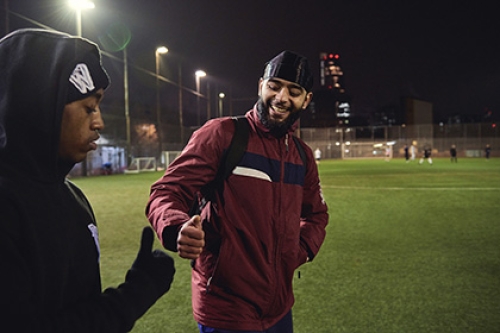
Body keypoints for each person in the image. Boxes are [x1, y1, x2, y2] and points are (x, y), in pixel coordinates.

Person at [0, 29, 175, 333]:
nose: (99, 122)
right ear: (41, 105)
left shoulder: (73, 197)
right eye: (89, 107)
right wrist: (135, 295)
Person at [146, 50, 329, 332]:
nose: (281, 97)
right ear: (260, 86)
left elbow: (316, 215)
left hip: (279, 310)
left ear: (306, 100)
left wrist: (299, 250)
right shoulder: (222, 134)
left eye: (294, 91)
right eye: (274, 86)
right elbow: (167, 191)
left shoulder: (302, 156)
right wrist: (176, 226)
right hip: (225, 311)